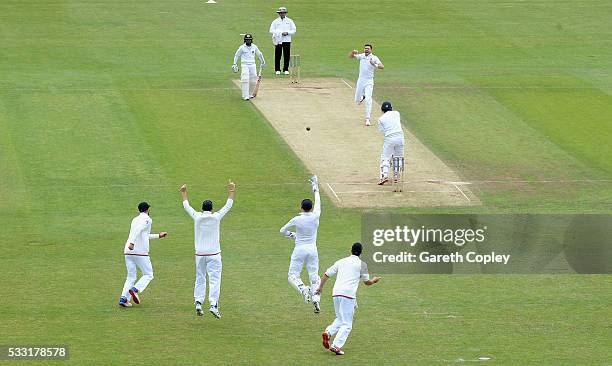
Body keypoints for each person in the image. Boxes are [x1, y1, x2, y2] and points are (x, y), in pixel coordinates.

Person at [180, 180, 235, 318]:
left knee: (200, 278)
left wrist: (184, 192)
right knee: (214, 279)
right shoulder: (216, 217)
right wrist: (231, 190)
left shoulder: (197, 217)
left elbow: (187, 206)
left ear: (202, 208)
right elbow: (228, 205)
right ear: (211, 209)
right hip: (214, 254)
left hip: (199, 254)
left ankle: (198, 302)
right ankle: (213, 304)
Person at [315, 242, 381, 355]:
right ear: (361, 252)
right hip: (348, 295)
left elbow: (327, 274)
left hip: (336, 293)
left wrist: (320, 287)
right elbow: (366, 282)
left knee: (340, 318)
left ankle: (328, 332)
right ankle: (336, 346)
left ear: (350, 250)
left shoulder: (341, 261)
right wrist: (374, 281)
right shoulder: (362, 265)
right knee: (347, 324)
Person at [279, 175, 322, 313]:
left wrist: (292, 235)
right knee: (314, 276)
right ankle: (316, 300)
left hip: (299, 249)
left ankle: (303, 289)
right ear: (310, 208)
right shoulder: (316, 216)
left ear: (301, 207)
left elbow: (282, 231)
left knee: (292, 276)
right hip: (312, 249)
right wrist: (315, 187)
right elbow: (318, 202)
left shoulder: (297, 219)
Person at [118, 202, 168, 307]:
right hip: (139, 251)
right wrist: (132, 243)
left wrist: (158, 236)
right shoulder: (148, 219)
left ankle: (124, 299)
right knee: (148, 274)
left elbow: (143, 235)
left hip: (128, 251)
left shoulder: (135, 219)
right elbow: (138, 230)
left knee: (131, 276)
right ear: (148, 209)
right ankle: (135, 289)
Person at [349, 44, 385, 126]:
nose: (366, 50)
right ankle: (362, 98)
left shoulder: (374, 58)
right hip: (361, 80)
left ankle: (368, 119)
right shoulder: (361, 56)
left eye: (368, 49)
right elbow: (351, 57)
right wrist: (353, 52)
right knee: (357, 100)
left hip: (369, 81)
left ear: (371, 50)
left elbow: (382, 66)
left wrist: (374, 64)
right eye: (365, 48)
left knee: (369, 99)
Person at [377, 101, 405, 185]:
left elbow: (382, 131)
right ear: (391, 108)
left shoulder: (381, 119)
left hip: (389, 137)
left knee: (385, 157)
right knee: (398, 157)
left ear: (382, 109)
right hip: (400, 137)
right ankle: (396, 176)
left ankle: (384, 175)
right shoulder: (397, 113)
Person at [232, 34, 266, 100]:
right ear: (245, 40)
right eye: (247, 40)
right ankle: (245, 95)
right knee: (245, 79)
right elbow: (237, 55)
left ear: (251, 40)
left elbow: (259, 54)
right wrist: (234, 64)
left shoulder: (254, 47)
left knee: (253, 81)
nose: (248, 41)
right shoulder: (242, 47)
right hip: (244, 65)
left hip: (252, 65)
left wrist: (263, 62)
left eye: (250, 40)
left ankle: (250, 94)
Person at [269, 6, 296, 75]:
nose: (282, 14)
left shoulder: (289, 21)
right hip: (278, 40)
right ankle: (277, 69)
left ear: (285, 13)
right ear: (279, 13)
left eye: (283, 13)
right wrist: (280, 33)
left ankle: (286, 69)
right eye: (280, 13)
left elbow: (294, 30)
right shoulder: (275, 21)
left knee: (286, 55)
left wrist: (287, 33)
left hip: (287, 40)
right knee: (278, 55)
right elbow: (271, 30)